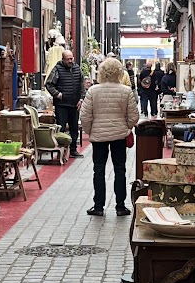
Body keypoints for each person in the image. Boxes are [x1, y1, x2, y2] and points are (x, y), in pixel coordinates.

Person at [80, 55, 139, 218]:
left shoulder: (93, 91)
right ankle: (120, 206)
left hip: (99, 137)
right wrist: (125, 127)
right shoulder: (126, 91)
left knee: (98, 170)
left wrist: (90, 131)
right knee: (120, 169)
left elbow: (85, 116)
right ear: (119, 72)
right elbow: (134, 116)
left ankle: (98, 206)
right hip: (119, 136)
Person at [45, 47, 85, 157]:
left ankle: (73, 150)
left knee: (74, 128)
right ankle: (60, 150)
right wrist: (57, 94)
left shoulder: (77, 68)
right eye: (68, 59)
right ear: (63, 59)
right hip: (61, 105)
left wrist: (81, 99)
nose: (70, 61)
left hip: (74, 104)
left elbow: (82, 85)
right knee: (61, 128)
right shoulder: (57, 69)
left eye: (71, 58)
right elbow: (49, 84)